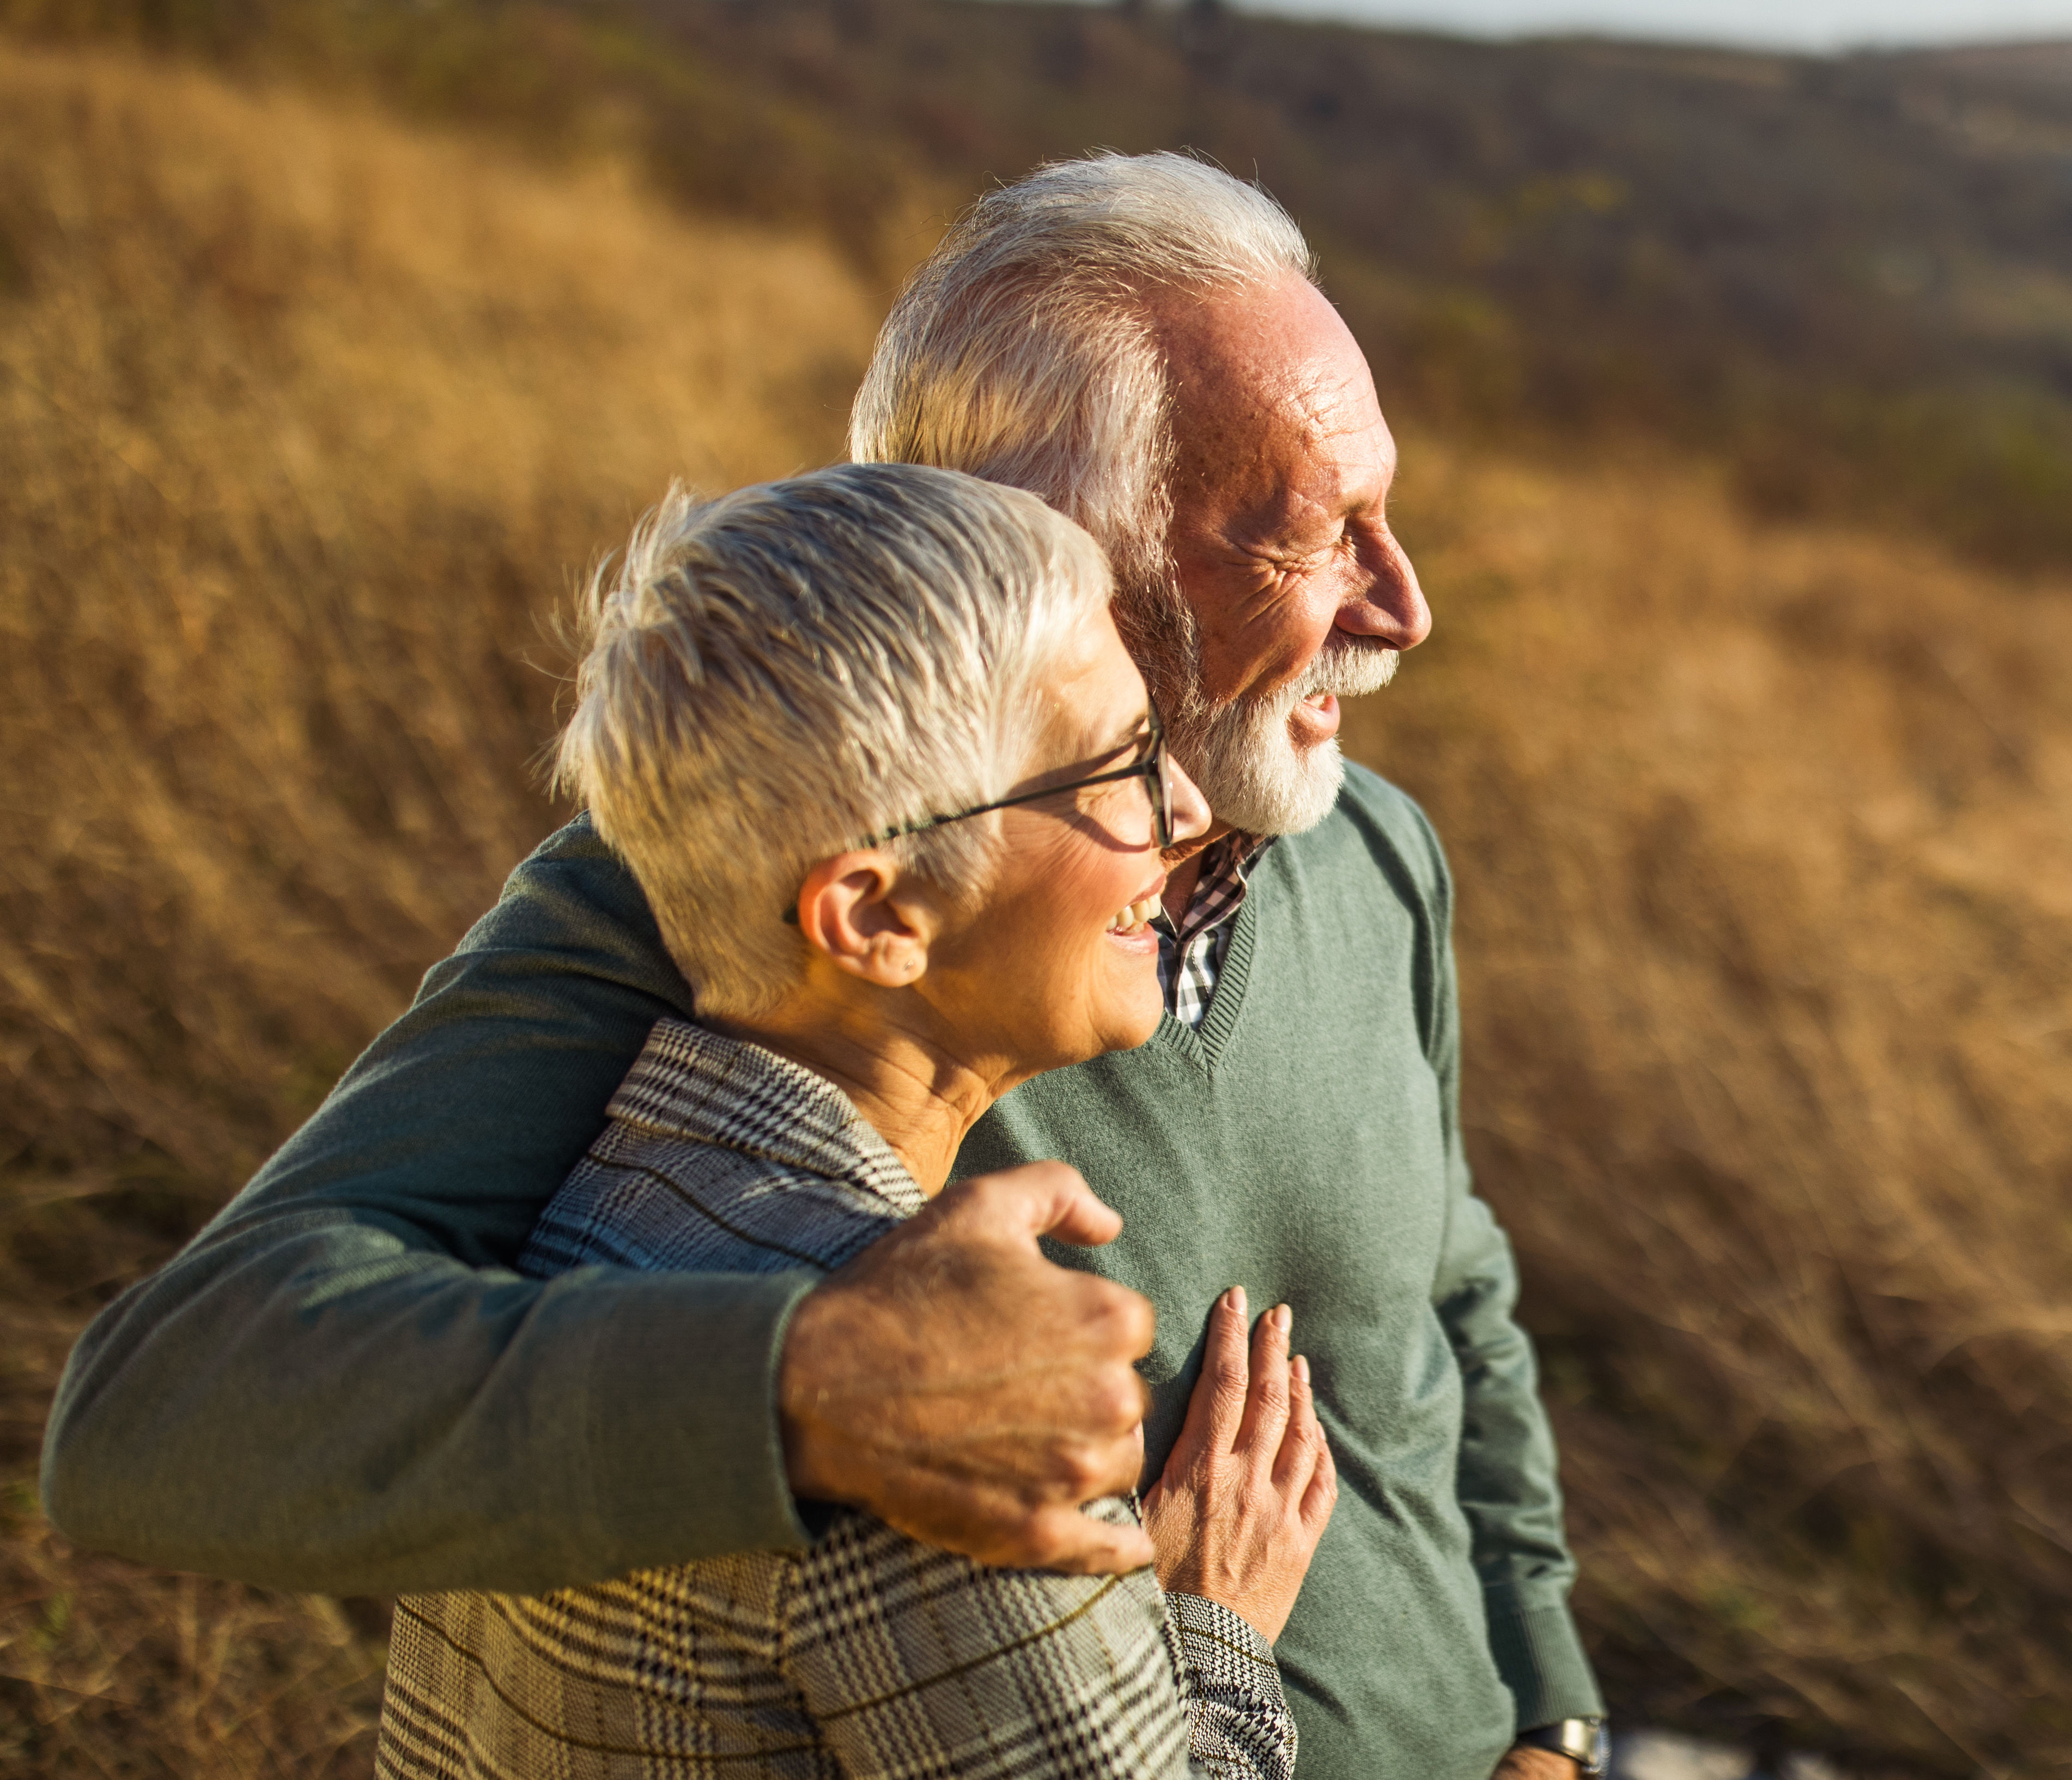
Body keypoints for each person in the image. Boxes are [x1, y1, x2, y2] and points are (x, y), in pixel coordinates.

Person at [44, 154, 1607, 1780]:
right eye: (1307, 534)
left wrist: (1551, 1717)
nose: (1405, 608)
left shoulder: (1377, 851)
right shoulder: (727, 883)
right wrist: (807, 1382)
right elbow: (171, 1410)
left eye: (1387, 509)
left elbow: (1451, 1301)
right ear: (1036, 548)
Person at [380, 463, 1328, 1778]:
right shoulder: (949, 1415)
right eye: (1115, 766)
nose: (1180, 814)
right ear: (875, 915)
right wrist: (1213, 1630)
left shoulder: (556, 1218)